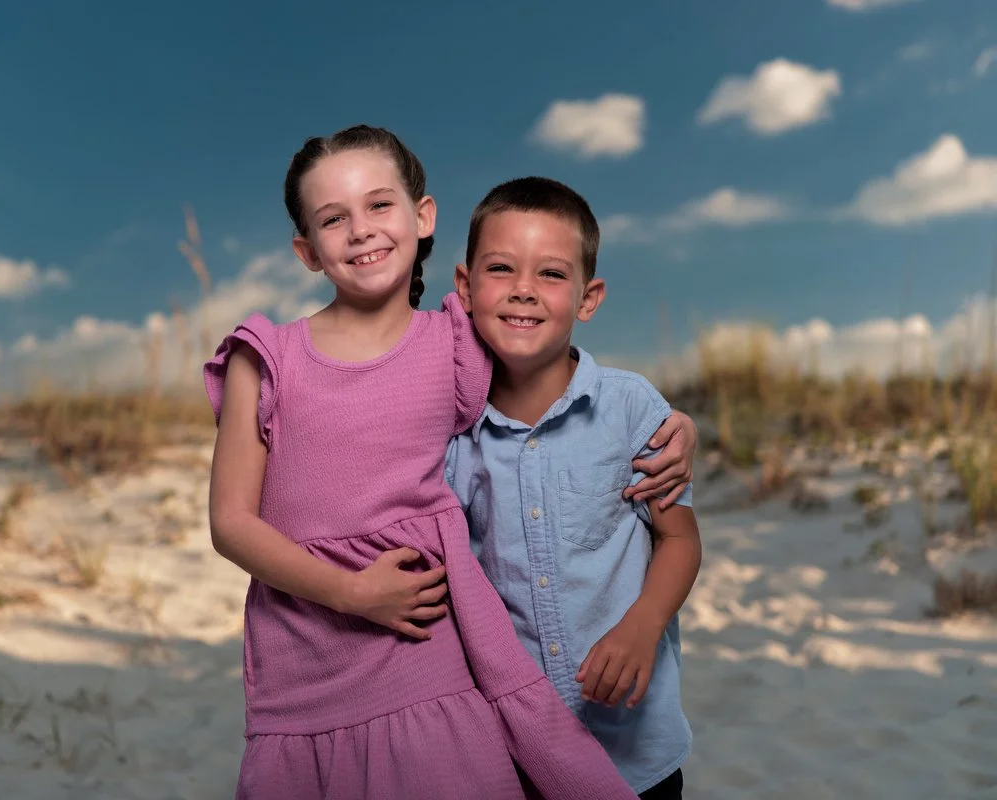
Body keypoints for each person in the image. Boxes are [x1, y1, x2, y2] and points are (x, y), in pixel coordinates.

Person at [204, 125, 695, 799]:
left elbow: (553, 375)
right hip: (309, 656)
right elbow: (230, 521)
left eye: (379, 205)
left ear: (422, 216)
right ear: (306, 249)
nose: (361, 230)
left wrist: (672, 425)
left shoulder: (459, 342)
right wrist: (348, 592)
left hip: (435, 664)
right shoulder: (267, 356)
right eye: (333, 217)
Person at [445, 177, 703, 800]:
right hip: (513, 749)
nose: (524, 290)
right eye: (501, 268)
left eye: (552, 275)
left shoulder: (631, 407)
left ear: (589, 298)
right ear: (466, 286)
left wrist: (644, 622)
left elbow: (679, 540)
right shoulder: (452, 429)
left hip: (635, 753)